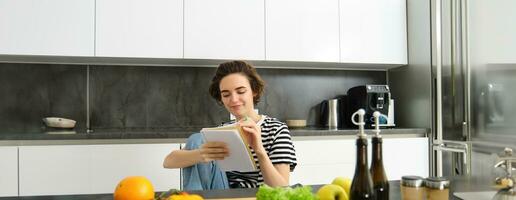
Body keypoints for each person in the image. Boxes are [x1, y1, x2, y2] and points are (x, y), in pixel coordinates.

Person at [163, 60, 297, 189]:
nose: (233, 99)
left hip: (255, 194)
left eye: (240, 91)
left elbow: (282, 188)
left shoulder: (276, 129)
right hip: (222, 193)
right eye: (226, 94)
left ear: (254, 90)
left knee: (197, 139)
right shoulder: (223, 130)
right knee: (196, 139)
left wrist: (259, 150)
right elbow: (168, 162)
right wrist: (202, 154)